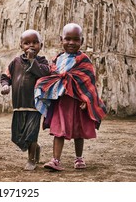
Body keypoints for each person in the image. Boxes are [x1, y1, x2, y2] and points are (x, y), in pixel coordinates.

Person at [35, 23, 107, 171]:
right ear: (61, 39)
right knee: (58, 130)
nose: (71, 43)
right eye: (67, 39)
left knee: (78, 131)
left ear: (82, 40)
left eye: (75, 39)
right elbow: (53, 75)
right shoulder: (58, 59)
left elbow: (88, 82)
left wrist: (86, 100)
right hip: (61, 102)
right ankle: (55, 160)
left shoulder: (83, 60)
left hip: (77, 102)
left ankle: (79, 158)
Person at [0, 29, 50, 171]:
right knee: (18, 135)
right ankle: (35, 148)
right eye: (27, 43)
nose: (31, 46)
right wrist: (5, 85)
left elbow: (44, 73)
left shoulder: (42, 62)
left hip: (35, 106)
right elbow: (6, 76)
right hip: (19, 105)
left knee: (31, 133)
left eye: (35, 42)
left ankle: (31, 159)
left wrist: (32, 60)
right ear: (21, 46)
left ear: (41, 44)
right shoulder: (15, 62)